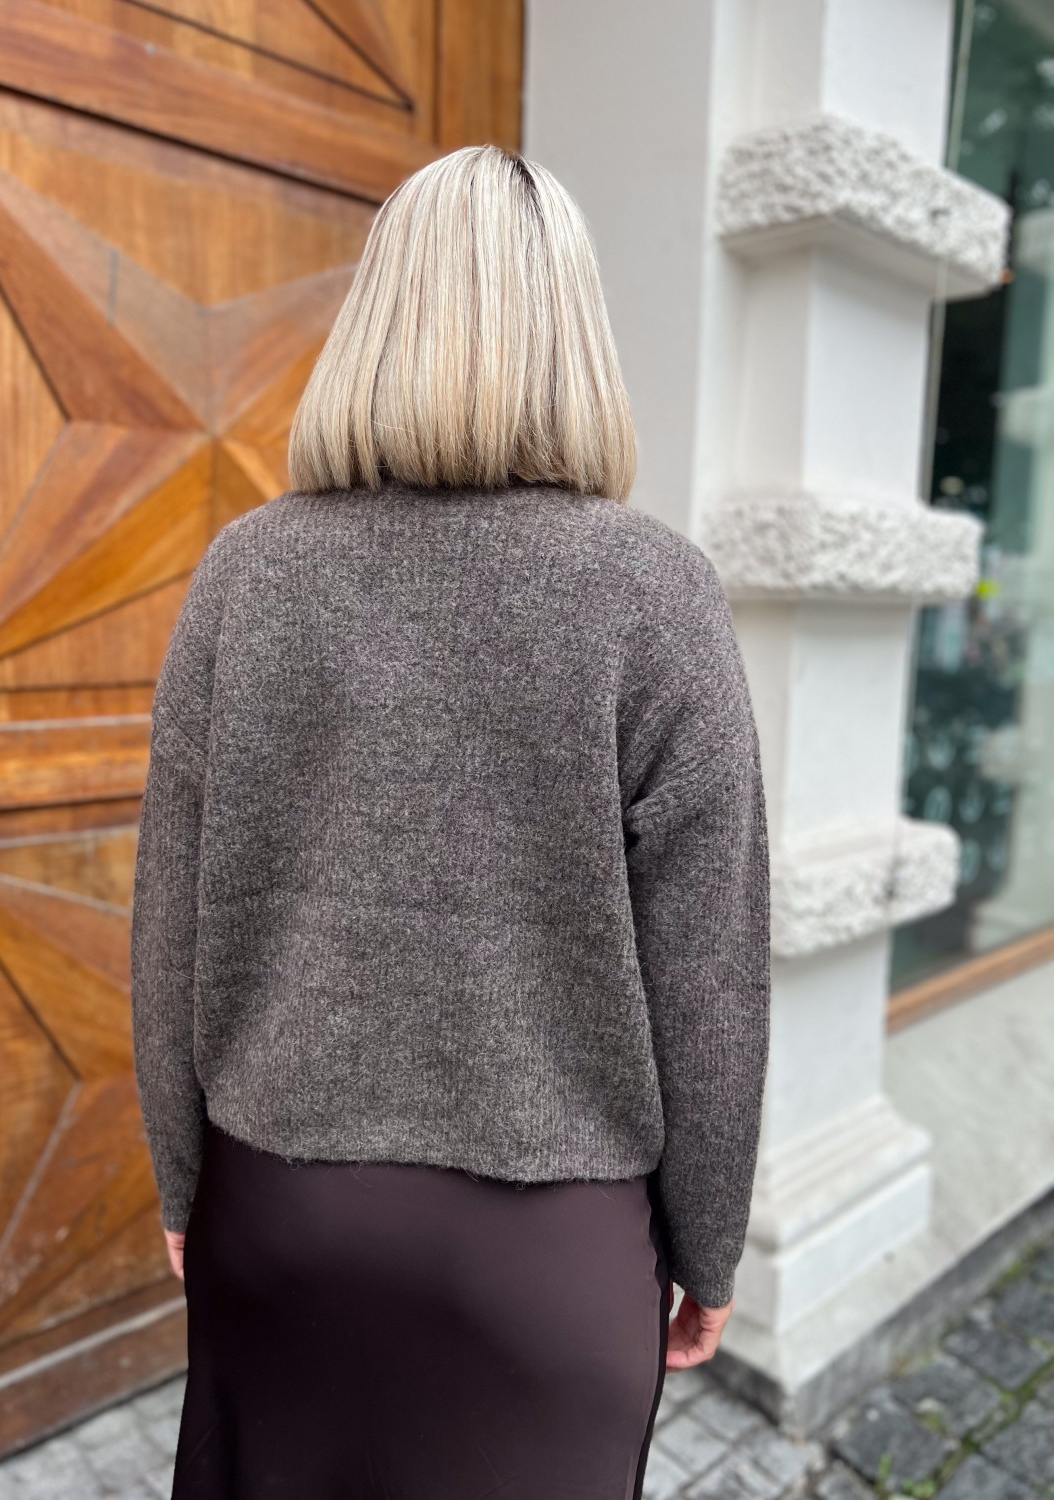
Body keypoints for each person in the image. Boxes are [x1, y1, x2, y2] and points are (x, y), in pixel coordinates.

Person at [130, 143, 770, 1500]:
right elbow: (711, 975)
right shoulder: (654, 592)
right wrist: (711, 1247)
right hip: (548, 1261)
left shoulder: (248, 573)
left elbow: (169, 912)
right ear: (574, 336)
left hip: (279, 1218)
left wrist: (185, 1181)